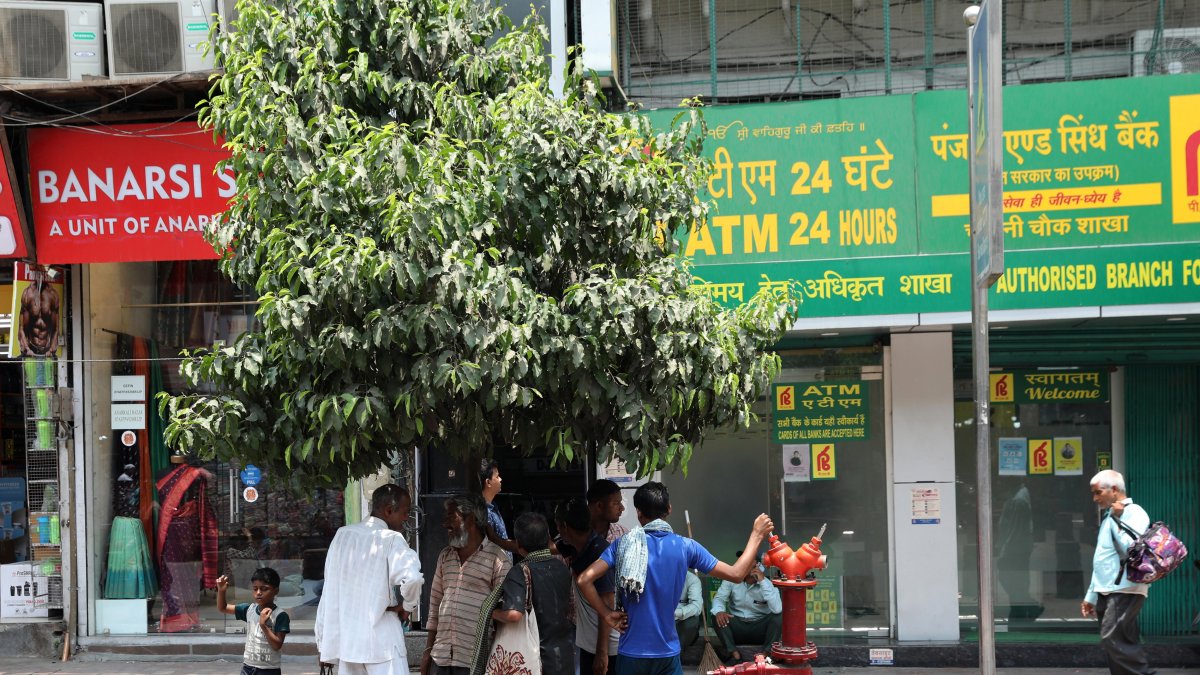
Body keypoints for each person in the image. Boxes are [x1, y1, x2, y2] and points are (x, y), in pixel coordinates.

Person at [577, 481, 773, 675]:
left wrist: (606, 613)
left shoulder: (622, 545)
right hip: (666, 653)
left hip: (631, 653)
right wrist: (756, 535)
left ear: (638, 512)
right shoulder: (687, 547)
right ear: (669, 509)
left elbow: (584, 579)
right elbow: (737, 574)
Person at [316, 484, 423, 675]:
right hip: (383, 643)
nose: (406, 518)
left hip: (349, 646)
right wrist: (407, 606)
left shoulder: (342, 536)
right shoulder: (391, 539)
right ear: (389, 510)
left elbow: (329, 594)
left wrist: (324, 644)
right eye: (405, 512)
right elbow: (413, 578)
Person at [421, 494, 511, 675]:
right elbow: (435, 606)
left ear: (470, 518)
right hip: (441, 658)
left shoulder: (497, 559)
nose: (445, 524)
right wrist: (427, 654)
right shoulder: (445, 556)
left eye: (451, 516)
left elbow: (505, 616)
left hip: (475, 661)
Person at [1081, 470, 1154, 675]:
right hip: (1108, 588)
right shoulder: (1109, 516)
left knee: (1111, 638)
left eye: (1098, 492)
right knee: (1120, 642)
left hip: (1125, 587)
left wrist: (1120, 518)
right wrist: (1091, 596)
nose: (1095, 498)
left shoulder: (1134, 512)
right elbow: (1102, 561)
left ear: (1113, 490)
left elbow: (1133, 550)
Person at [490, 512, 574, 675]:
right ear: (548, 537)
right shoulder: (562, 567)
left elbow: (514, 614)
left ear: (518, 544)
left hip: (535, 659)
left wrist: (490, 612)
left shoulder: (519, 571)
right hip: (563, 656)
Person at [558, 498, 618, 675]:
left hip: (609, 648)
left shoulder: (599, 553)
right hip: (590, 644)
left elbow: (607, 603)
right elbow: (546, 547)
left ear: (564, 527)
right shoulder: (575, 546)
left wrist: (602, 653)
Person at [215, 567, 289, 675]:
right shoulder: (249, 610)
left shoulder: (280, 615)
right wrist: (221, 591)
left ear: (275, 591)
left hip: (269, 670)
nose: (258, 592)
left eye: (264, 589)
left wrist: (263, 625)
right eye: (255, 589)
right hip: (248, 667)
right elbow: (223, 608)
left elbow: (277, 645)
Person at [711, 561, 782, 664]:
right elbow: (719, 598)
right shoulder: (731, 581)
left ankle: (766, 654)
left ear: (758, 567)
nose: (743, 568)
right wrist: (719, 611)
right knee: (716, 615)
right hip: (738, 627)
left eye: (749, 566)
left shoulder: (767, 583)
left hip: (759, 629)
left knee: (778, 616)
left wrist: (762, 581)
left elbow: (777, 609)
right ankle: (734, 654)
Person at [480, 459, 518, 558]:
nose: (500, 479)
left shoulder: (493, 506)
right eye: (497, 477)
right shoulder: (484, 513)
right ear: (488, 482)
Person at [674, 571, 703, 650]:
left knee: (693, 620)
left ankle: (678, 653)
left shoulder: (691, 579)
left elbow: (696, 607)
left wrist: (676, 613)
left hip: (680, 619)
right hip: (659, 619)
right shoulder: (656, 575)